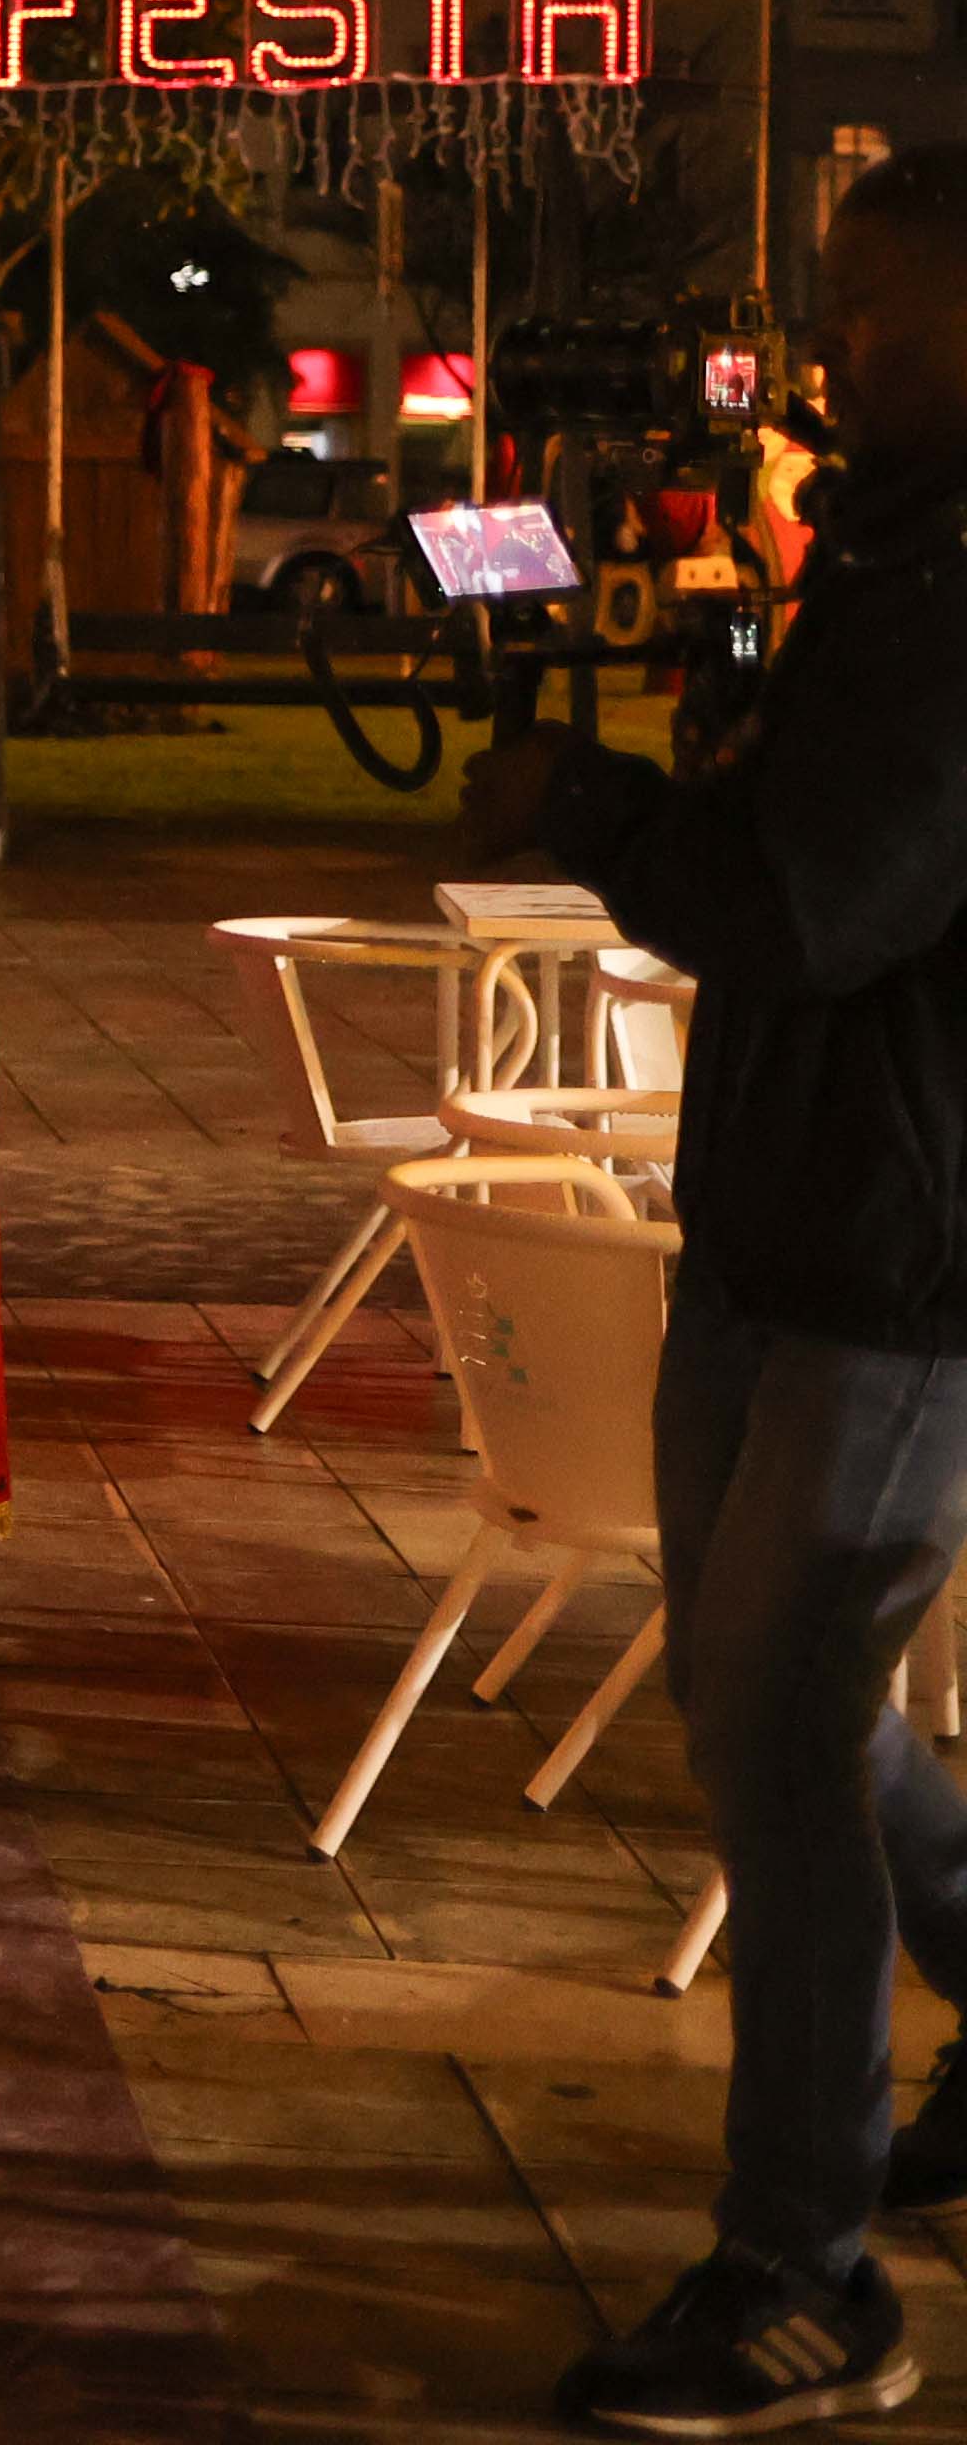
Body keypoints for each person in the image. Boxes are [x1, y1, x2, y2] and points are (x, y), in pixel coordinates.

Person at [465, 143, 967, 2437]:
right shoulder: (874, 557)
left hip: (901, 1262)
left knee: (778, 1728)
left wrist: (582, 809)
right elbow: (781, 834)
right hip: (784, 1215)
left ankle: (803, 2269)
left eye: (872, 308)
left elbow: (806, 906)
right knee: (777, 1706)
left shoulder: (946, 594)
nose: (823, 347)